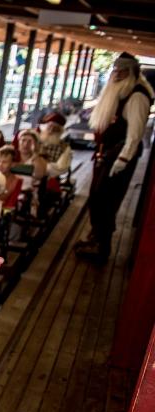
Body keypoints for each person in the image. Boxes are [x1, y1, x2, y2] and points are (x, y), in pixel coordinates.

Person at [79, 52, 153, 261]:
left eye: (122, 71)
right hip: (107, 154)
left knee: (107, 201)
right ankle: (96, 237)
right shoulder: (121, 93)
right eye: (115, 70)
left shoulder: (137, 96)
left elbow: (135, 134)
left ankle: (103, 247)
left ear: (131, 72)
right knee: (97, 198)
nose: (117, 75)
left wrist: (122, 159)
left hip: (118, 156)